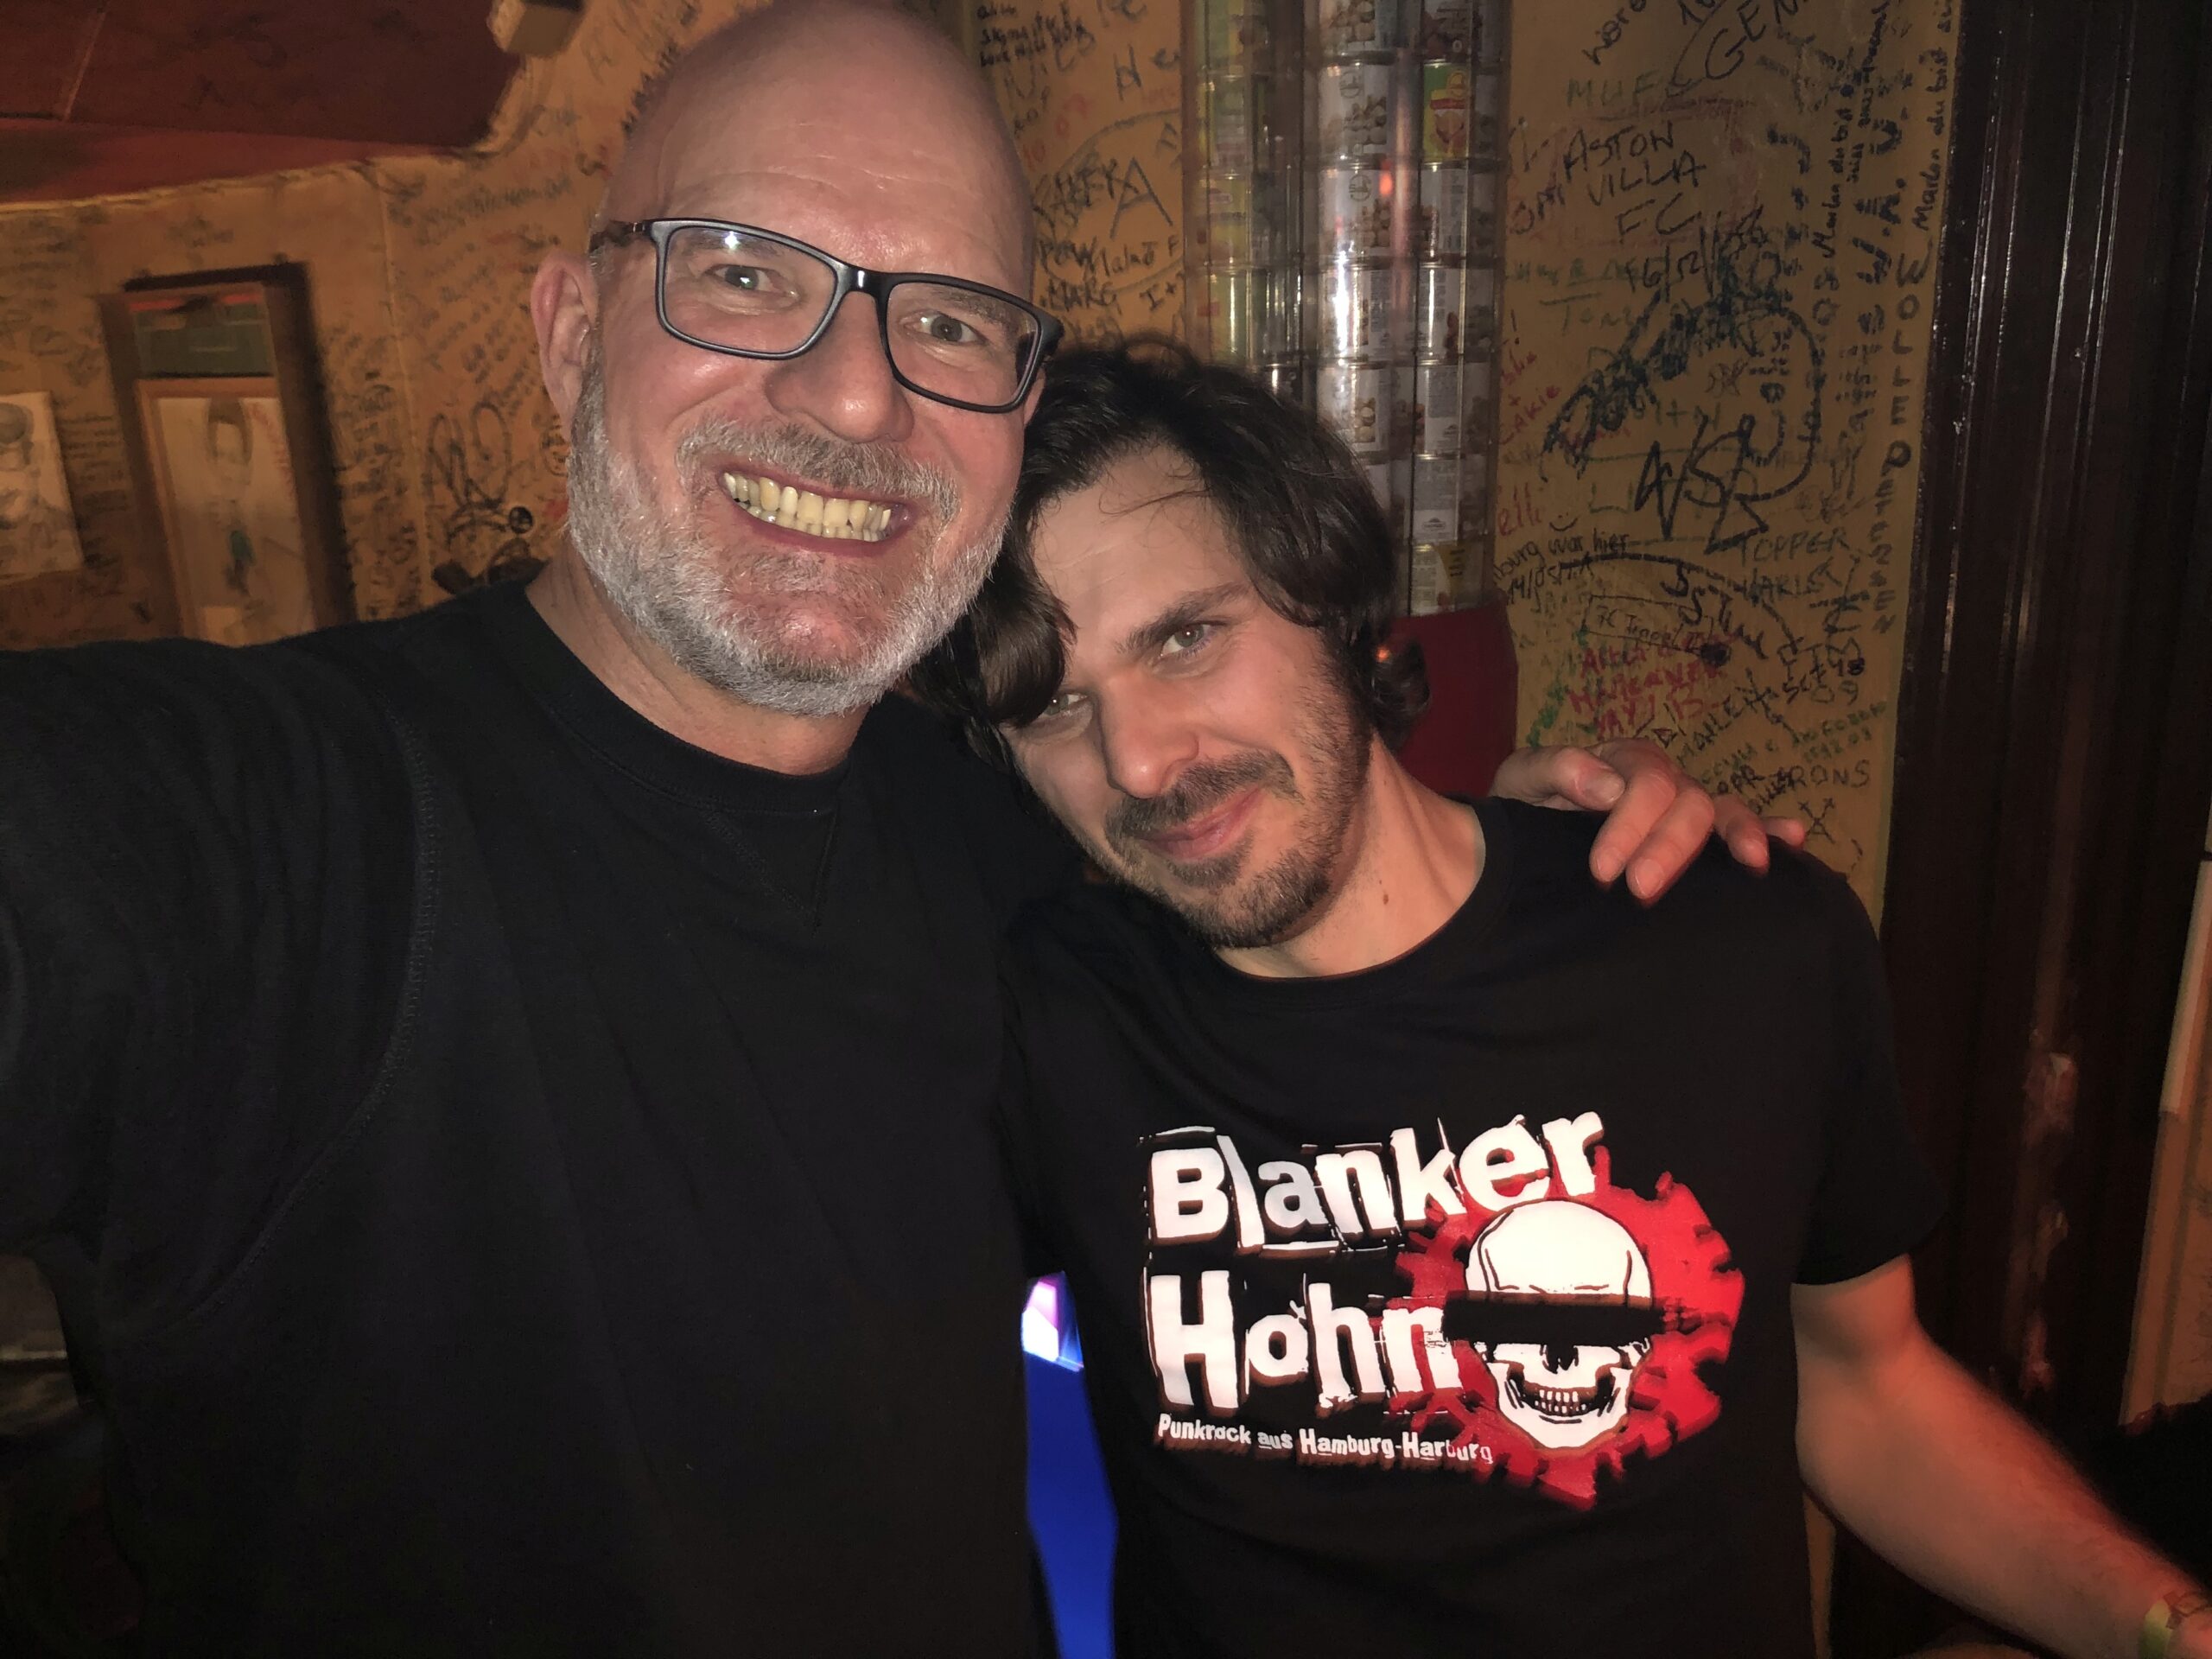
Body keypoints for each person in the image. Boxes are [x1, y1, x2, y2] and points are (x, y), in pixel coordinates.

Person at [0, 6, 1775, 1653]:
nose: (856, 395)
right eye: (742, 271)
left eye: (947, 319)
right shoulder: (265, 827)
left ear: (1014, 406)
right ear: (569, 336)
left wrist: (1510, 851)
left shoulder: (1019, 832)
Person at [918, 343, 2212, 1659]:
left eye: (1187, 639)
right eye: (1056, 709)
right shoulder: (1040, 1019)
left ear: (1330, 594)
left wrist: (2165, 1628)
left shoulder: (1733, 945)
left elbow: (1864, 1386)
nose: (1141, 761)